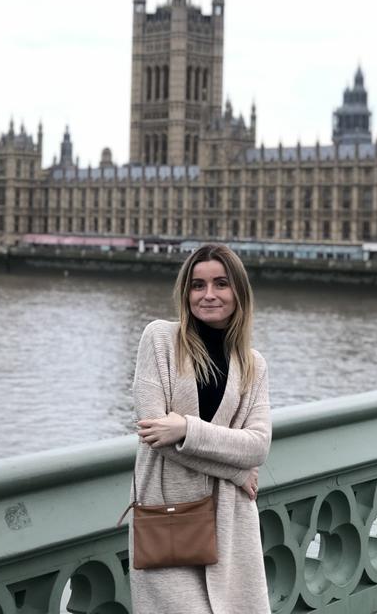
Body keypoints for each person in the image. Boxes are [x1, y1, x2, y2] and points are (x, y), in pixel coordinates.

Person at [130, 243, 272, 613]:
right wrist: (237, 471)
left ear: (238, 292)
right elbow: (155, 434)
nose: (208, 294)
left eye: (221, 284)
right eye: (198, 285)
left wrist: (185, 429)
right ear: (186, 292)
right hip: (168, 518)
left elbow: (258, 446)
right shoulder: (159, 339)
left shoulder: (253, 364)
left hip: (230, 523)